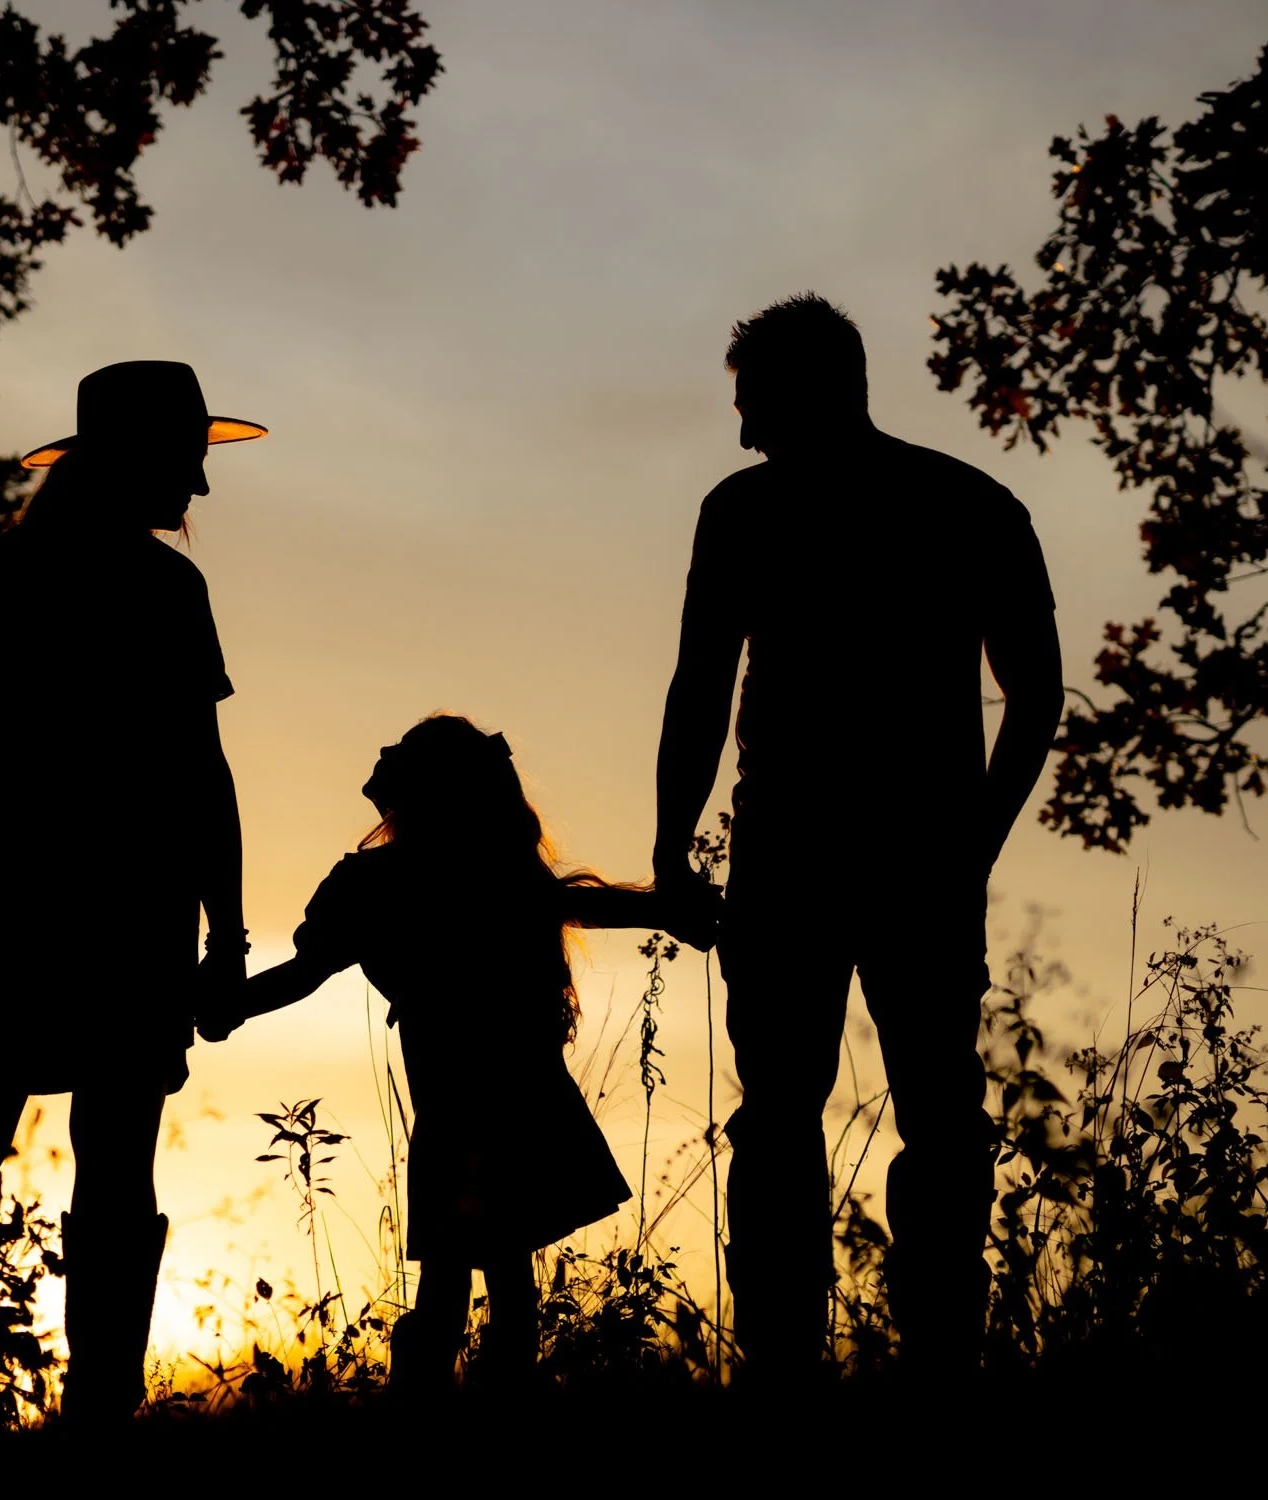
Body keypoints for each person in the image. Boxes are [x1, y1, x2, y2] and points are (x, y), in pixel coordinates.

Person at [651, 294, 1064, 1370]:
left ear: (809, 388)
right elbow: (1037, 694)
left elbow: (699, 688)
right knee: (928, 1113)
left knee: (791, 1116)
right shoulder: (968, 502)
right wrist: (972, 840)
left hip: (798, 852)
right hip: (886, 853)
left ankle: (789, 1365)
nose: (742, 430)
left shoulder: (744, 512)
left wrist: (668, 844)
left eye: (752, 404)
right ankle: (933, 1357)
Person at [0, 360, 266, 1419]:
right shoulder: (160, 588)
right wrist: (224, 935)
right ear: (139, 458)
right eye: (188, 458)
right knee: (113, 1159)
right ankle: (98, 1412)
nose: (198, 484)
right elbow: (201, 770)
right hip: (122, 908)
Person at [199, 714, 716, 1387]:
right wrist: (663, 910)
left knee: (451, 1280)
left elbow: (305, 972)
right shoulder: (496, 875)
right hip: (522, 1100)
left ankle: (429, 1412)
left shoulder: (381, 884)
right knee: (505, 1281)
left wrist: (226, 1005)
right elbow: (579, 904)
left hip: (457, 1111)